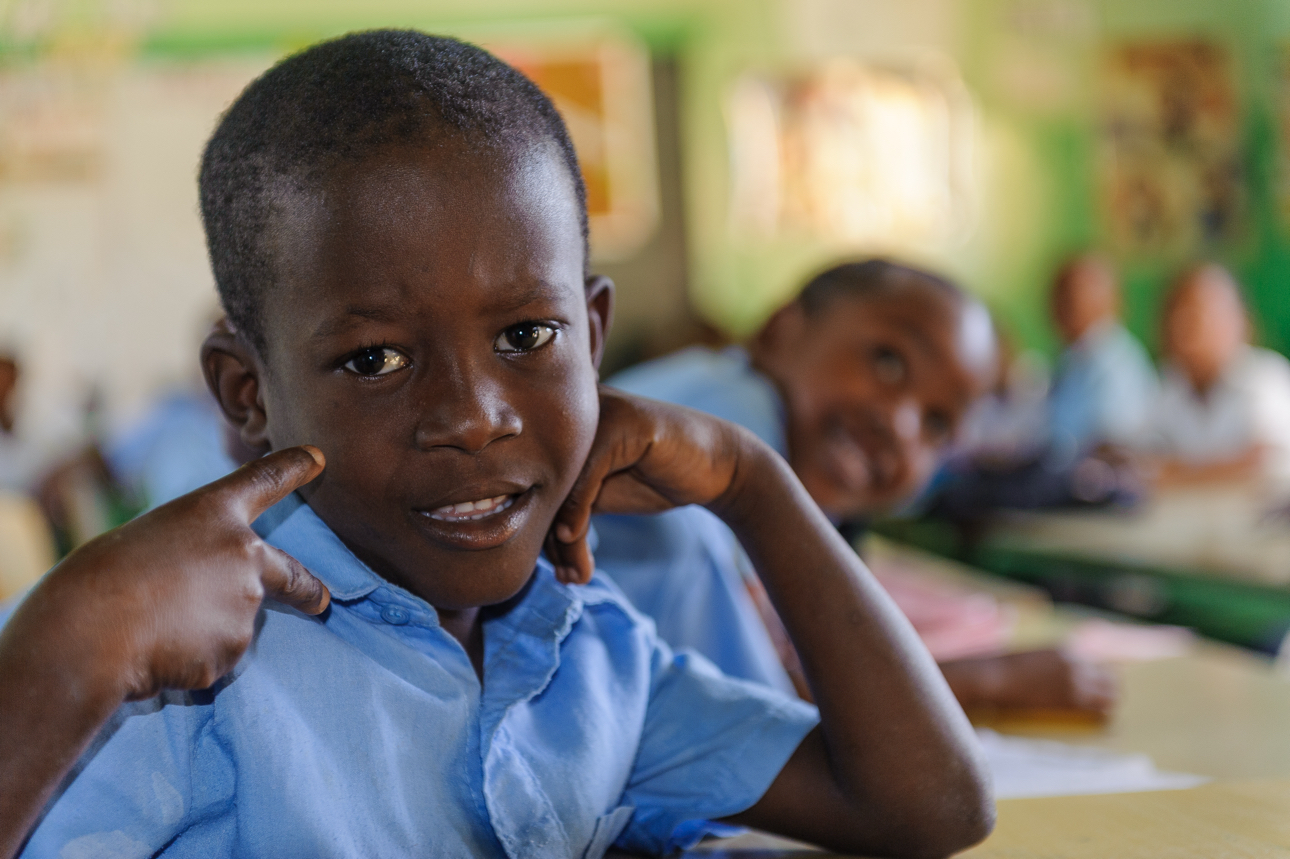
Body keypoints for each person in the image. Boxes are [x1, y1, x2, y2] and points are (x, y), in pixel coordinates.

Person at [0, 31, 993, 859]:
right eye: (376, 358)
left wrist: (755, 486)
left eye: (527, 337)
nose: (474, 416)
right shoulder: (183, 677)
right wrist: (58, 657)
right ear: (248, 393)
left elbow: (928, 806)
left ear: (593, 338)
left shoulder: (585, 650)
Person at [593, 261, 1117, 714]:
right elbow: (756, 710)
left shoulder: (721, 391)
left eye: (936, 423)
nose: (900, 425)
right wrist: (991, 681)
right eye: (887, 361)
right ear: (781, 331)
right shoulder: (725, 431)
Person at [1151, 263, 1290, 484]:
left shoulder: (1265, 378)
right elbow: (1143, 464)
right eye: (1176, 312)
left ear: (1239, 320)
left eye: (1197, 312)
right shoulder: (1166, 386)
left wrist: (1180, 472)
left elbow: (1264, 461)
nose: (1183, 325)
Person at [1046, 254, 1157, 460]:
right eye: (1059, 293)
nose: (1061, 304)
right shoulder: (1071, 357)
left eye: (1073, 293)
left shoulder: (1118, 360)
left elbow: (1115, 445)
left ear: (1111, 299)